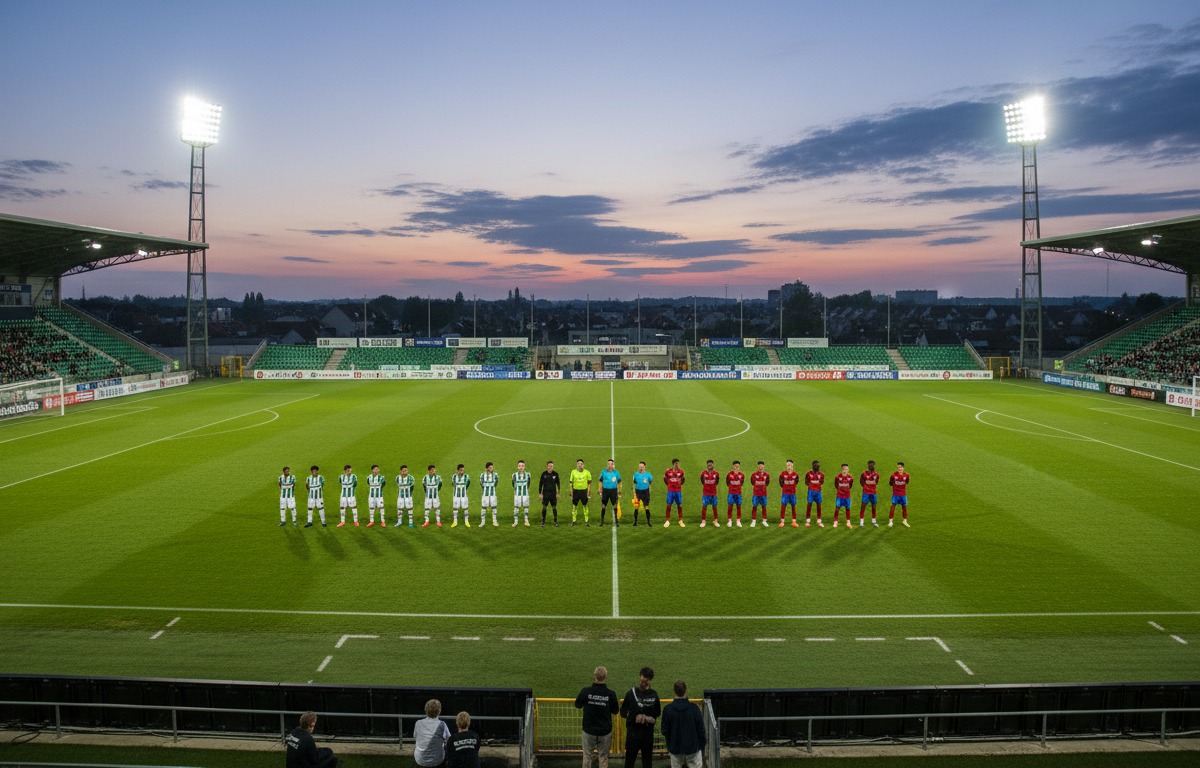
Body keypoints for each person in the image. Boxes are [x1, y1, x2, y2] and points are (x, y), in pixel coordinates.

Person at [575, 666, 620, 768]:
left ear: (594, 676)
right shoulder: (611, 694)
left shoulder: (585, 691)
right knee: (603, 757)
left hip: (588, 730)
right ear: (606, 677)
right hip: (605, 732)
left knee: (587, 756)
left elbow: (577, 705)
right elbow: (615, 711)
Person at [620, 667, 661, 768]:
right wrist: (634, 717)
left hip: (644, 736)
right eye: (642, 680)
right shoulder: (631, 694)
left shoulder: (653, 694)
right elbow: (623, 712)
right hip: (635, 735)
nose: (643, 682)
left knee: (645, 763)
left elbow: (657, 713)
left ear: (650, 680)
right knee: (630, 763)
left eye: (645, 681)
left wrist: (647, 718)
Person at [660, 681, 705, 768]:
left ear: (674, 691)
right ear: (685, 690)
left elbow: (664, 731)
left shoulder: (667, 709)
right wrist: (701, 747)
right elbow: (701, 730)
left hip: (675, 749)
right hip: (693, 749)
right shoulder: (694, 708)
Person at [414, 699, 451, 768]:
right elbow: (449, 740)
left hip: (421, 760)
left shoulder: (418, 723)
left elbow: (416, 737)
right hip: (436, 761)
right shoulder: (442, 724)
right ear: (439, 711)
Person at [570, 459, 593, 526]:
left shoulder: (587, 472)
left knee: (585, 505)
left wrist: (588, 492)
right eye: (578, 464)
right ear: (577, 465)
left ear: (583, 465)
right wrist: (571, 493)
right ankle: (574, 521)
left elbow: (589, 484)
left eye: (581, 464)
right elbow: (571, 483)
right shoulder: (573, 472)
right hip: (576, 491)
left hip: (584, 491)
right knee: (574, 506)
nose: (580, 465)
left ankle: (586, 521)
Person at [599, 459, 621, 527]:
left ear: (613, 465)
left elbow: (619, 483)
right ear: (607, 464)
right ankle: (602, 521)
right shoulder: (603, 472)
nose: (610, 465)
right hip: (605, 491)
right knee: (603, 506)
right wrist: (599, 490)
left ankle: (616, 521)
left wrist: (619, 492)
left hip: (613, 491)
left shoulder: (616, 473)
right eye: (608, 464)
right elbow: (600, 481)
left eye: (611, 464)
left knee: (614, 506)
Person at [663, 459, 685, 527]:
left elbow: (683, 480)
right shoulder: (668, 471)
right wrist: (669, 485)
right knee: (669, 505)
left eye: (678, 464)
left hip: (678, 491)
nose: (677, 465)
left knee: (679, 505)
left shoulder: (681, 472)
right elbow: (665, 479)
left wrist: (678, 485)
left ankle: (680, 520)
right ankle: (667, 520)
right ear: (673, 464)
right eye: (676, 464)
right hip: (670, 491)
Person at [778, 459, 800, 528]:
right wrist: (784, 487)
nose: (789, 467)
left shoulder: (795, 475)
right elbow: (781, 482)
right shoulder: (783, 474)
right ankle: (782, 521)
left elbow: (796, 481)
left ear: (792, 466)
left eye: (790, 465)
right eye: (788, 465)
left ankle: (794, 521)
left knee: (793, 507)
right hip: (785, 493)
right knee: (783, 506)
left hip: (793, 493)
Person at [889, 461, 911, 527]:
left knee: (904, 507)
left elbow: (907, 482)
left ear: (903, 468)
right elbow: (890, 483)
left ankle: (905, 520)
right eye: (898, 467)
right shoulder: (893, 475)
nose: (899, 469)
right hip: (895, 494)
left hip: (903, 494)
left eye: (901, 467)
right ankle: (890, 521)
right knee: (893, 506)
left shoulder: (906, 475)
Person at [859, 460, 880, 528]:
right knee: (863, 506)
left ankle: (873, 521)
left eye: (872, 465)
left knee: (874, 506)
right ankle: (861, 522)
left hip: (873, 493)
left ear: (874, 466)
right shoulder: (864, 474)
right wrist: (865, 487)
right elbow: (861, 481)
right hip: (866, 493)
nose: (871, 466)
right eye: (870, 465)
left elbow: (876, 482)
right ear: (868, 466)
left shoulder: (876, 475)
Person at [539, 461, 561, 527]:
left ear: (553, 467)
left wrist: (558, 493)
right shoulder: (544, 474)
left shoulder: (555, 474)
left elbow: (558, 484)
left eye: (551, 466)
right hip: (545, 493)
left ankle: (555, 522)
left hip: (553, 494)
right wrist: (540, 493)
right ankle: (543, 522)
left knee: (554, 507)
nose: (550, 467)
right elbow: (540, 484)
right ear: (547, 466)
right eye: (549, 466)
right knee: (544, 507)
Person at [832, 463, 854, 528]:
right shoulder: (838, 477)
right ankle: (835, 522)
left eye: (846, 469)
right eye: (843, 469)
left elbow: (850, 485)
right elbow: (836, 485)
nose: (845, 471)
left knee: (848, 509)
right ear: (841, 470)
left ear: (848, 470)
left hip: (847, 496)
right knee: (837, 509)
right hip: (839, 496)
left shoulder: (850, 478)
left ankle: (848, 522)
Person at [631, 461, 653, 526]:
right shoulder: (635, 475)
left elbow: (650, 481)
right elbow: (634, 482)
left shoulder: (648, 475)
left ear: (644, 467)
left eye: (642, 467)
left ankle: (648, 522)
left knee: (646, 507)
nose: (641, 468)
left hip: (645, 492)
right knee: (636, 507)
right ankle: (635, 522)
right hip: (638, 492)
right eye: (640, 467)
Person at [804, 460, 825, 528]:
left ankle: (819, 520)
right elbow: (806, 481)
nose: (816, 467)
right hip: (811, 491)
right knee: (809, 505)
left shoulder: (821, 475)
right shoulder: (808, 474)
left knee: (819, 505)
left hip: (818, 492)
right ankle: (808, 520)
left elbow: (822, 482)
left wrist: (817, 487)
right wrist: (811, 486)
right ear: (812, 466)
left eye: (817, 465)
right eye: (815, 465)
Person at [512, 460, 532, 527]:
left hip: (525, 493)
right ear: (517, 467)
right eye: (519, 466)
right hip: (517, 493)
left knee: (526, 507)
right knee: (516, 507)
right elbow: (513, 484)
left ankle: (526, 521)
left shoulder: (528, 475)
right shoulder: (514, 475)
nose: (521, 467)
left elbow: (528, 483)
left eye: (522, 466)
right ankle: (515, 521)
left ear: (524, 466)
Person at [479, 462, 500, 527]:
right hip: (485, 494)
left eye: (492, 467)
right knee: (484, 507)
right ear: (487, 468)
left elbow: (496, 483)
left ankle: (494, 521)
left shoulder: (495, 475)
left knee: (494, 507)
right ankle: (482, 522)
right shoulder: (482, 475)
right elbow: (481, 483)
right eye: (490, 467)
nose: (491, 468)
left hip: (492, 494)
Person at [749, 461, 769, 527]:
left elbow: (767, 483)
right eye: (759, 466)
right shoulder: (754, 475)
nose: (761, 467)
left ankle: (764, 521)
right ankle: (753, 521)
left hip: (763, 494)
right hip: (756, 494)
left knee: (764, 507)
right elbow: (752, 482)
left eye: (762, 466)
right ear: (758, 466)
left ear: (764, 466)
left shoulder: (766, 475)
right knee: (754, 506)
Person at [724, 461, 744, 527]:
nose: (736, 468)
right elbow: (727, 482)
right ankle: (729, 521)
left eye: (738, 467)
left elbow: (741, 483)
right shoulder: (729, 475)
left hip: (738, 493)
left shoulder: (742, 475)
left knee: (738, 507)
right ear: (733, 466)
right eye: (735, 466)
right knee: (730, 507)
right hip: (731, 493)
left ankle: (738, 521)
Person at [395, 464, 416, 528]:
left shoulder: (411, 478)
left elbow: (412, 486)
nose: (405, 471)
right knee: (399, 508)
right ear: (401, 471)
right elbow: (398, 485)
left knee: (410, 508)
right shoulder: (398, 478)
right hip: (400, 496)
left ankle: (411, 522)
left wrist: (409, 494)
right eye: (404, 470)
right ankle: (399, 521)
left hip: (408, 496)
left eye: (406, 470)